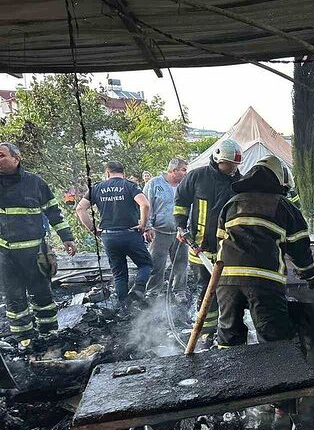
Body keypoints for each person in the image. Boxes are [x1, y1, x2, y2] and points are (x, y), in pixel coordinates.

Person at [215, 156, 314, 346]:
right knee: (274, 341)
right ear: (280, 181)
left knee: (229, 337)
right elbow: (299, 249)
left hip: (226, 281)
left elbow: (220, 241)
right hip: (263, 281)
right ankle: (277, 375)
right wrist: (311, 276)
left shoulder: (232, 203)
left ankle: (230, 374)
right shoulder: (283, 206)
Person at [0, 142, 76, 346]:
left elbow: (54, 212)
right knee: (14, 300)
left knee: (42, 295)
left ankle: (49, 336)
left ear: (16, 159)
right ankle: (24, 340)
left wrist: (67, 237)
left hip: (35, 253)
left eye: (1, 156)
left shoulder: (35, 183)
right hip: (5, 255)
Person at [174, 139, 242, 339]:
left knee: (228, 290)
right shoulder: (197, 177)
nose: (233, 169)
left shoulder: (239, 183)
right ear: (219, 159)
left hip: (227, 249)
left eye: (236, 165)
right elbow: (181, 203)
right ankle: (206, 332)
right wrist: (180, 225)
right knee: (206, 290)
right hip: (199, 248)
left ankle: (227, 329)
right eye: (229, 164)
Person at [76, 161, 152, 308]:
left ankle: (124, 307)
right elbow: (145, 204)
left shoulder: (97, 188)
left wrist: (93, 229)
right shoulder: (130, 186)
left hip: (109, 237)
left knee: (119, 274)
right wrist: (143, 225)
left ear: (107, 173)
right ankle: (138, 290)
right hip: (130, 233)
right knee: (145, 264)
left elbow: (80, 209)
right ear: (123, 172)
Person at [144, 158, 189, 300]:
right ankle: (153, 291)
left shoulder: (185, 185)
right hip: (159, 231)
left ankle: (179, 290)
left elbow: (192, 206)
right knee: (157, 263)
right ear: (173, 171)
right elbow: (146, 206)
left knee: (181, 263)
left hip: (180, 232)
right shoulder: (155, 184)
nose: (185, 173)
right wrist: (147, 227)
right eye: (183, 170)